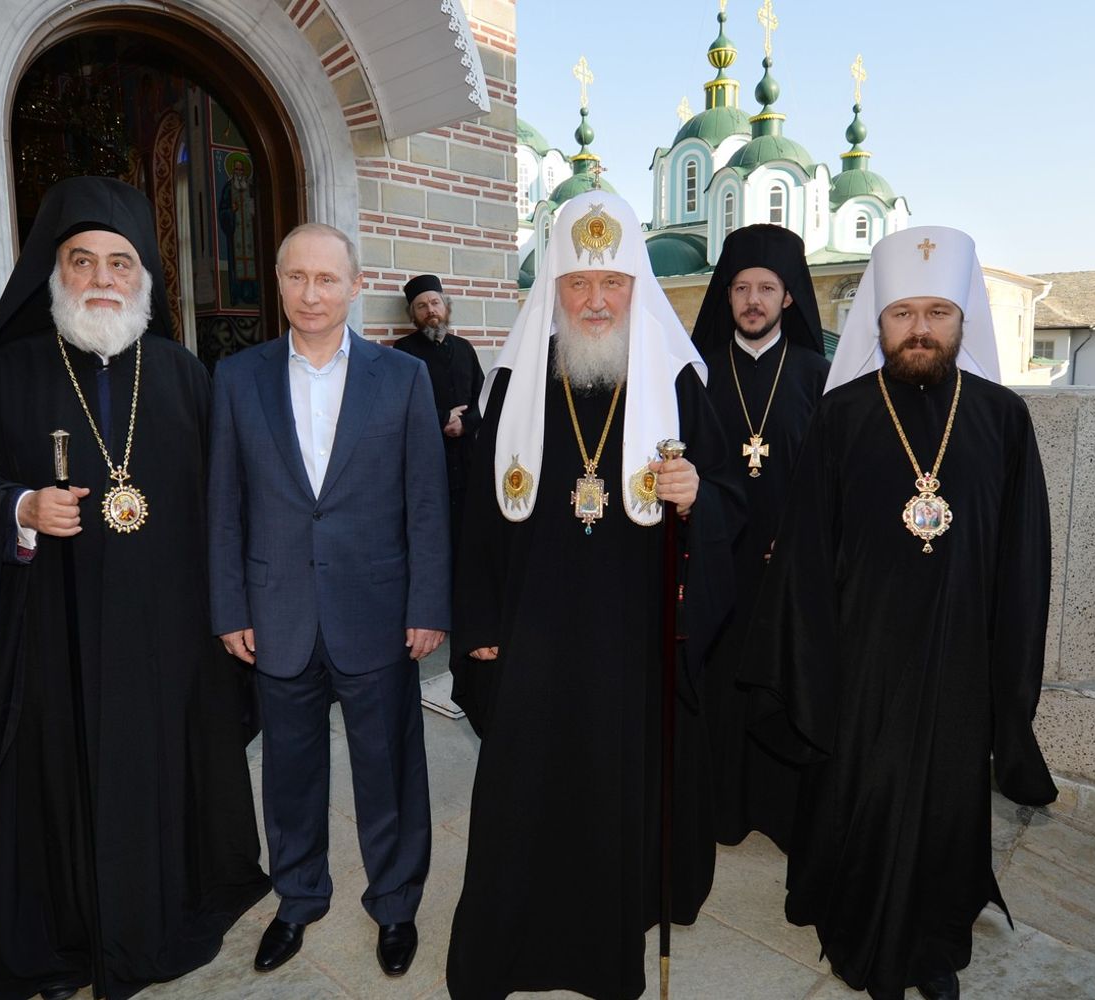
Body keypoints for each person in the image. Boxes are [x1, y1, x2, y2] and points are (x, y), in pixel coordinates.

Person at [0, 176, 270, 1000]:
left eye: (120, 262)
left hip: (169, 634)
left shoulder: (184, 375)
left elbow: (233, 505)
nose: (102, 279)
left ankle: (165, 915)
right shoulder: (10, 373)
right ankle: (66, 938)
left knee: (166, 770)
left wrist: (240, 611)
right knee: (62, 780)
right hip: (57, 633)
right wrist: (20, 506)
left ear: (144, 276)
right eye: (82, 261)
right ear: (55, 272)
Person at [741, 226, 1057, 1000]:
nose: (920, 329)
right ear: (878, 323)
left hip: (959, 655)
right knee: (864, 790)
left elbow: (1023, 556)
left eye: (937, 313)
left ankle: (932, 943)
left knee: (946, 799)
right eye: (903, 314)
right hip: (862, 653)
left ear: (962, 319)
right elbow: (805, 551)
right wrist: (809, 660)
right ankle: (856, 918)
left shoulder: (1002, 418)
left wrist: (1009, 669)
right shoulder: (841, 415)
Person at [445, 192, 743, 1000]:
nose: (596, 301)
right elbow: (479, 514)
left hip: (629, 636)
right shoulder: (516, 381)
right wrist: (479, 622)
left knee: (614, 787)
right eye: (578, 283)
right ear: (554, 290)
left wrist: (697, 496)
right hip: (532, 629)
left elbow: (729, 497)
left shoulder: (675, 381)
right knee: (522, 787)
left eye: (612, 282)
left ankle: (602, 953)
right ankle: (507, 949)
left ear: (638, 285)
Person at [208, 223, 450, 979]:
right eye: (296, 277)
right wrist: (229, 607)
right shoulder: (236, 378)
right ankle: (299, 897)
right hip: (276, 611)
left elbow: (427, 502)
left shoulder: (402, 377)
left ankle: (396, 903)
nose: (310, 294)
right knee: (289, 772)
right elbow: (224, 505)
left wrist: (428, 604)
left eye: (326, 278)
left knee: (389, 770)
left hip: (377, 611)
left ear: (354, 285)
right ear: (277, 281)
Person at [688, 223, 830, 855]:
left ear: (789, 297)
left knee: (780, 680)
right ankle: (719, 809)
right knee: (718, 685)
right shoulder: (696, 374)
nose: (753, 301)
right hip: (714, 561)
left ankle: (781, 811)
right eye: (742, 288)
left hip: (787, 568)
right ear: (726, 295)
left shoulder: (819, 376)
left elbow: (830, 479)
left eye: (766, 289)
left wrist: (800, 544)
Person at [393, 274, 485, 549]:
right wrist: (443, 418)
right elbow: (401, 403)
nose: (430, 310)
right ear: (413, 314)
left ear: (446, 307)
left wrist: (465, 424)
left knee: (470, 535)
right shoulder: (403, 350)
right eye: (421, 306)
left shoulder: (464, 348)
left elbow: (484, 398)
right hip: (430, 461)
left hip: (468, 461)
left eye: (435, 303)